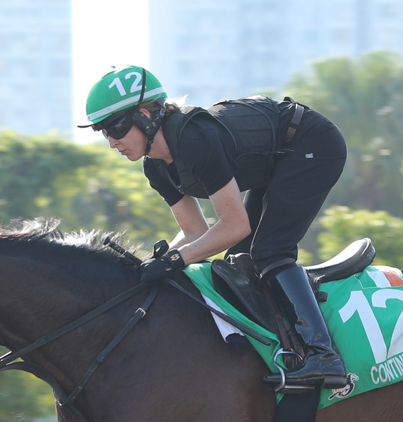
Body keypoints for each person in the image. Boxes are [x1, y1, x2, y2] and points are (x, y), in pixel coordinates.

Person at [82, 65, 348, 392]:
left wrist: (177, 261)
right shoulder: (155, 167)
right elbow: (194, 232)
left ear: (145, 116)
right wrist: (151, 264)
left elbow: (234, 225)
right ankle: (281, 349)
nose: (112, 143)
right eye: (104, 133)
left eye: (116, 129)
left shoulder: (195, 140)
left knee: (269, 252)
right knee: (238, 262)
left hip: (312, 142)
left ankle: (323, 355)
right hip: (277, 158)